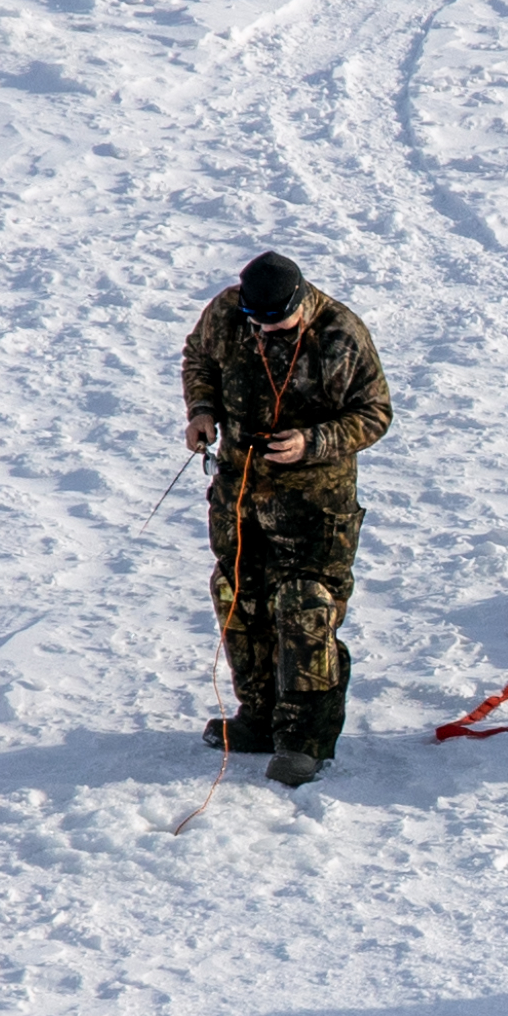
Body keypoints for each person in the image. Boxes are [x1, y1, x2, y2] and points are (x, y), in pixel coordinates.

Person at [178, 251, 389, 784]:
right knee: (238, 597)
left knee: (304, 608)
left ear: (300, 302)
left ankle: (304, 740)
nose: (267, 327)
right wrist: (202, 410)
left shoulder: (340, 332)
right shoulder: (229, 312)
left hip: (315, 506)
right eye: (259, 319)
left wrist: (312, 442)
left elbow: (375, 413)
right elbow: (198, 358)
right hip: (240, 495)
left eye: (278, 320)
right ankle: (259, 718)